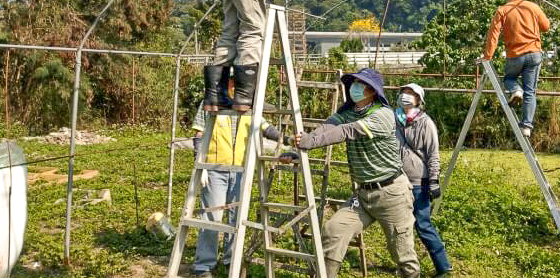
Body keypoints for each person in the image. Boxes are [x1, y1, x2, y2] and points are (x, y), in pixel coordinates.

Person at [291, 68, 420, 278]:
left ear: (372, 91)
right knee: (333, 230)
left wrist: (311, 141)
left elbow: (346, 131)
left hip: (392, 194)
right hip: (362, 196)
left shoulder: (383, 115)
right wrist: (299, 147)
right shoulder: (348, 113)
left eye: (360, 84)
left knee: (403, 255)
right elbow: (326, 128)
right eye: (353, 83)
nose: (354, 88)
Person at [190, 99, 288, 277]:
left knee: (236, 219)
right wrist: (200, 164)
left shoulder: (250, 104)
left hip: (241, 170)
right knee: (212, 217)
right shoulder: (211, 101)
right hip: (214, 168)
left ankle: (230, 261)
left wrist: (286, 139)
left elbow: (266, 128)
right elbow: (199, 133)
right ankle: (203, 265)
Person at [479, 0, 550, 137]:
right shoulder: (533, 7)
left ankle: (516, 91)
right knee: (530, 91)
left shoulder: (502, 10)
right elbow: (546, 27)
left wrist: (488, 56)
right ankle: (526, 127)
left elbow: (493, 35)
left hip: (515, 55)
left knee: (509, 79)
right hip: (534, 54)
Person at [395, 83, 452, 277]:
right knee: (401, 226)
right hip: (398, 181)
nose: (406, 96)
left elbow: (433, 154)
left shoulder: (425, 122)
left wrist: (434, 181)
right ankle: (407, 266)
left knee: (423, 224)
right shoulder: (396, 119)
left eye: (411, 94)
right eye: (404, 92)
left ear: (419, 100)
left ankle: (443, 267)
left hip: (420, 182)